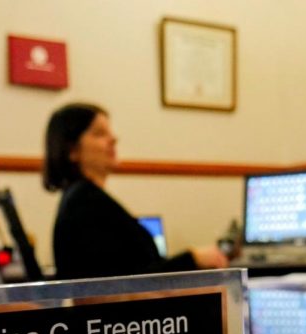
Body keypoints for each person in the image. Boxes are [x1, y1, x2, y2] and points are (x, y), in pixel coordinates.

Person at [43, 103, 228, 279]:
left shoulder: (85, 199)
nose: (114, 139)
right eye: (99, 133)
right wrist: (193, 258)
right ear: (72, 150)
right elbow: (124, 285)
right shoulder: (84, 203)